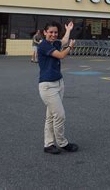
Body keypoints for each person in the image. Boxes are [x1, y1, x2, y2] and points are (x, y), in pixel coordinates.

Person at [37, 21, 78, 154]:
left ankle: (48, 145)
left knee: (51, 116)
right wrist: (70, 48)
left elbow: (64, 41)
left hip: (59, 83)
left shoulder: (54, 43)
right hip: (47, 86)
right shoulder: (43, 45)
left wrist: (68, 30)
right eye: (51, 32)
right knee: (60, 115)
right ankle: (62, 143)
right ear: (45, 33)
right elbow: (61, 55)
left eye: (55, 32)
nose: (53, 35)